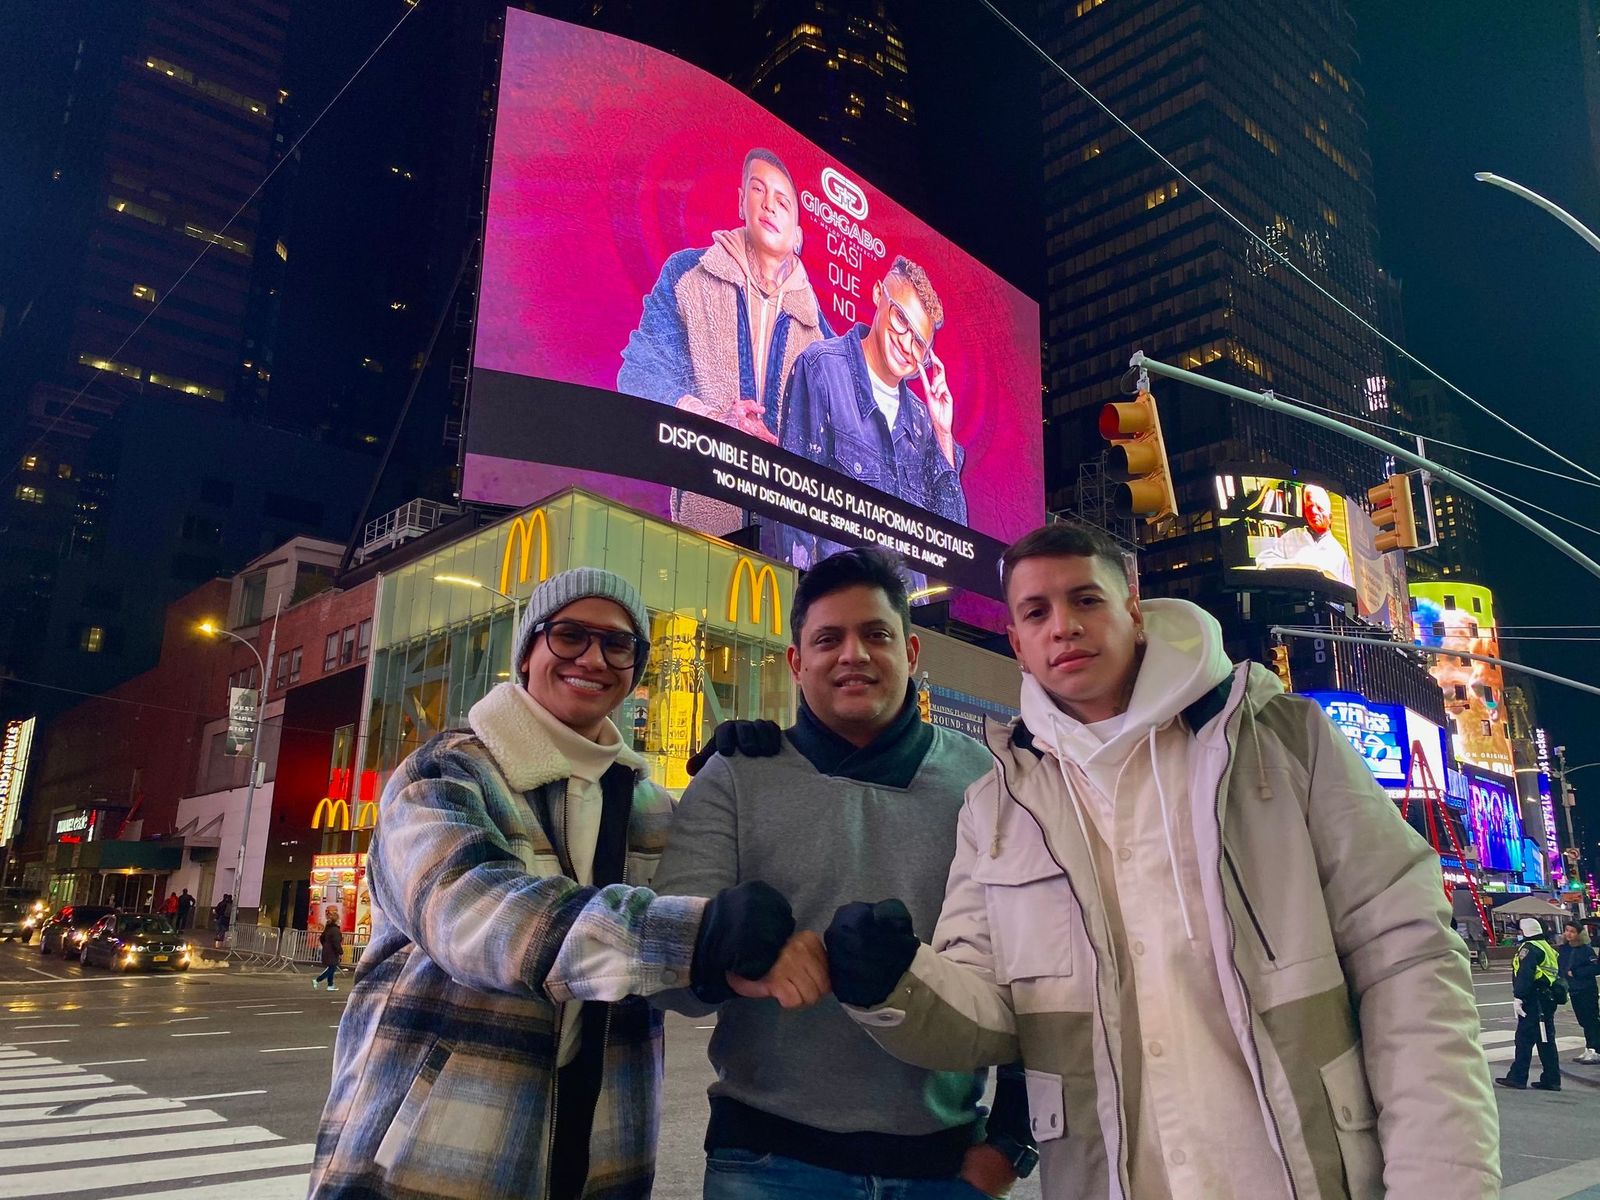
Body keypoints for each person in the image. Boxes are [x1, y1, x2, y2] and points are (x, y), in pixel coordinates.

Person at [826, 522, 1499, 1198]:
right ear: (1018, 646)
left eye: (1086, 600)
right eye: (1036, 612)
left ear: (1134, 615)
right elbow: (990, 1011)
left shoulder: (1288, 745)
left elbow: (1409, 962)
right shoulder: (995, 806)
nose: (1063, 626)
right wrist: (896, 982)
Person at [310, 568, 796, 1200]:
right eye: (569, 635)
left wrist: (743, 792)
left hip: (600, 1157)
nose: (593, 658)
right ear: (528, 651)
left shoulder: (647, 803)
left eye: (618, 645)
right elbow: (476, 917)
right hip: (433, 1160)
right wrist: (692, 934)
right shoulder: (446, 772)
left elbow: (708, 967)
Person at [653, 546, 1036, 1199]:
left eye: (876, 635)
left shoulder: (989, 785)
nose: (852, 654)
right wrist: (726, 950)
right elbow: (663, 976)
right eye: (828, 638)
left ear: (912, 654)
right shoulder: (736, 775)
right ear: (797, 662)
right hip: (767, 1166)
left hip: (943, 1169)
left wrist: (1009, 1143)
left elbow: (1038, 968)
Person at [618, 147, 830, 532]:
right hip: (703, 525)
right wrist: (712, 421)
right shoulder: (688, 274)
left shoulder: (818, 331)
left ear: (798, 234)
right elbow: (639, 372)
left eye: (783, 201)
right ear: (740, 202)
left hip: (790, 542)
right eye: (758, 190)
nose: (769, 206)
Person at [776, 257, 966, 578]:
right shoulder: (821, 369)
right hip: (841, 606)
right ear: (878, 294)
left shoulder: (923, 422)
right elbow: (792, 511)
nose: (907, 344)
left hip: (907, 619)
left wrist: (943, 433)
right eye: (901, 319)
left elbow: (953, 551)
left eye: (920, 342)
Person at [1500, 916, 1563, 1091]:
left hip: (1533, 1000)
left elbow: (1525, 974)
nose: (1518, 934)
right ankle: (1552, 1079)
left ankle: (1518, 1077)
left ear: (1525, 932)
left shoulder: (1529, 948)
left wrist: (1518, 997)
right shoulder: (1546, 946)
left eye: (1519, 930)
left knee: (1524, 1039)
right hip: (1546, 999)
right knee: (1546, 1040)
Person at [1254, 483, 1354, 586]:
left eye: (1319, 508)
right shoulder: (1291, 536)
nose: (1314, 511)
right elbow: (1262, 562)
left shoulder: (1338, 553)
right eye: (1310, 507)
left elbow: (1348, 591)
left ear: (1330, 517)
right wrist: (1296, 566)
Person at [1558, 920, 1599, 1064]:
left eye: (1572, 931)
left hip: (1587, 989)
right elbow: (1561, 967)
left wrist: (1576, 972)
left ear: (1578, 934)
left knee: (1591, 1020)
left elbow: (1596, 968)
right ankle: (1590, 1048)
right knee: (1583, 1020)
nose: (1568, 934)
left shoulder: (1586, 949)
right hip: (1574, 989)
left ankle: (1595, 1049)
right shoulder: (1564, 949)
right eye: (1567, 930)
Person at [314, 913, 344, 992]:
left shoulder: (328, 929)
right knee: (332, 968)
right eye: (339, 920)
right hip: (332, 952)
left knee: (332, 967)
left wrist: (325, 945)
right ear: (337, 921)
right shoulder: (335, 930)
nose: (340, 921)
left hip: (327, 950)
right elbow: (336, 943)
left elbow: (322, 938)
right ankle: (317, 980)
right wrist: (341, 952)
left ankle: (330, 985)